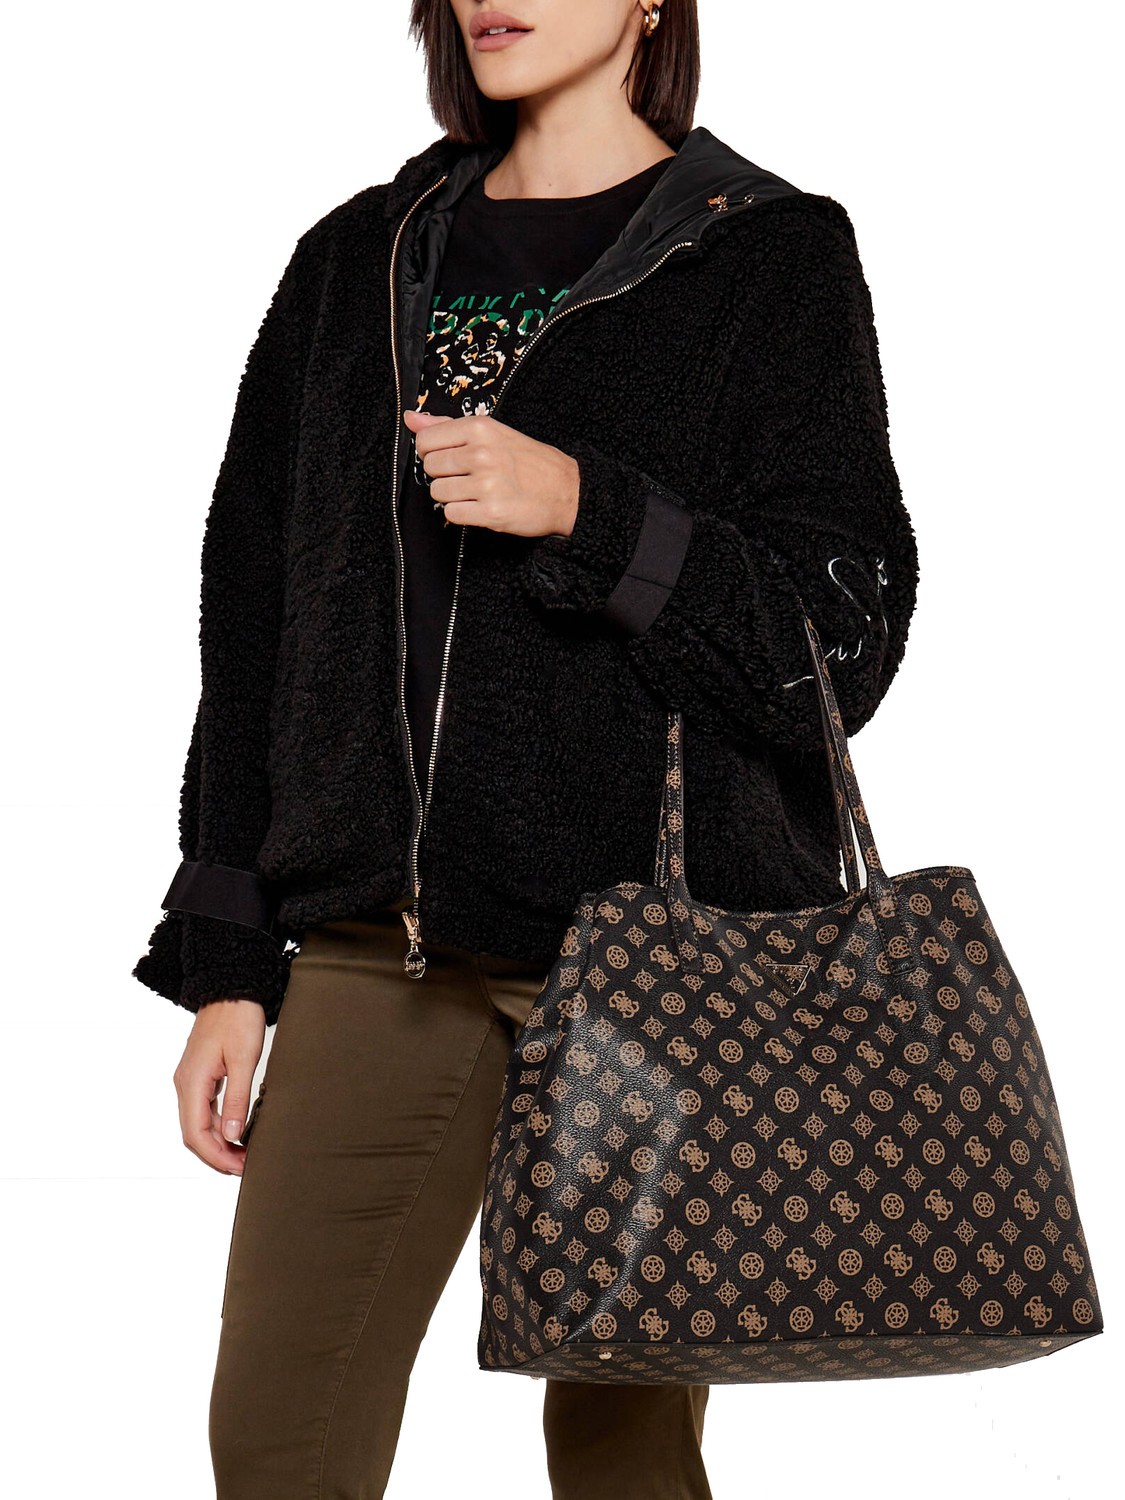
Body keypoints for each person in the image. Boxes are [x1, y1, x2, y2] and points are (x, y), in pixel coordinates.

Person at [132, 1, 919, 1495]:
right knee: (277, 1447)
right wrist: (228, 954)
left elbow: (841, 636)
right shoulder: (354, 258)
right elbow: (253, 613)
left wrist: (586, 512)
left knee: (625, 1466)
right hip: (381, 945)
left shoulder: (767, 254)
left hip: (659, 958)